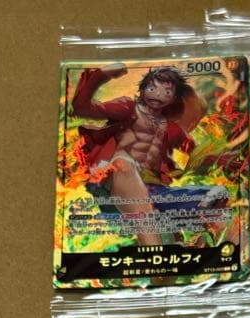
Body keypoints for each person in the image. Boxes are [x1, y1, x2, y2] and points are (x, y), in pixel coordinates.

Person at [72, 63, 207, 245]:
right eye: (152, 88)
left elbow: (201, 153)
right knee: (123, 163)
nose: (158, 95)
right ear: (143, 89)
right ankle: (154, 247)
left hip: (151, 193)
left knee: (211, 200)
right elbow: (82, 108)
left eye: (166, 92)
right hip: (111, 186)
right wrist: (100, 76)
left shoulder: (170, 129)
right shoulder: (128, 108)